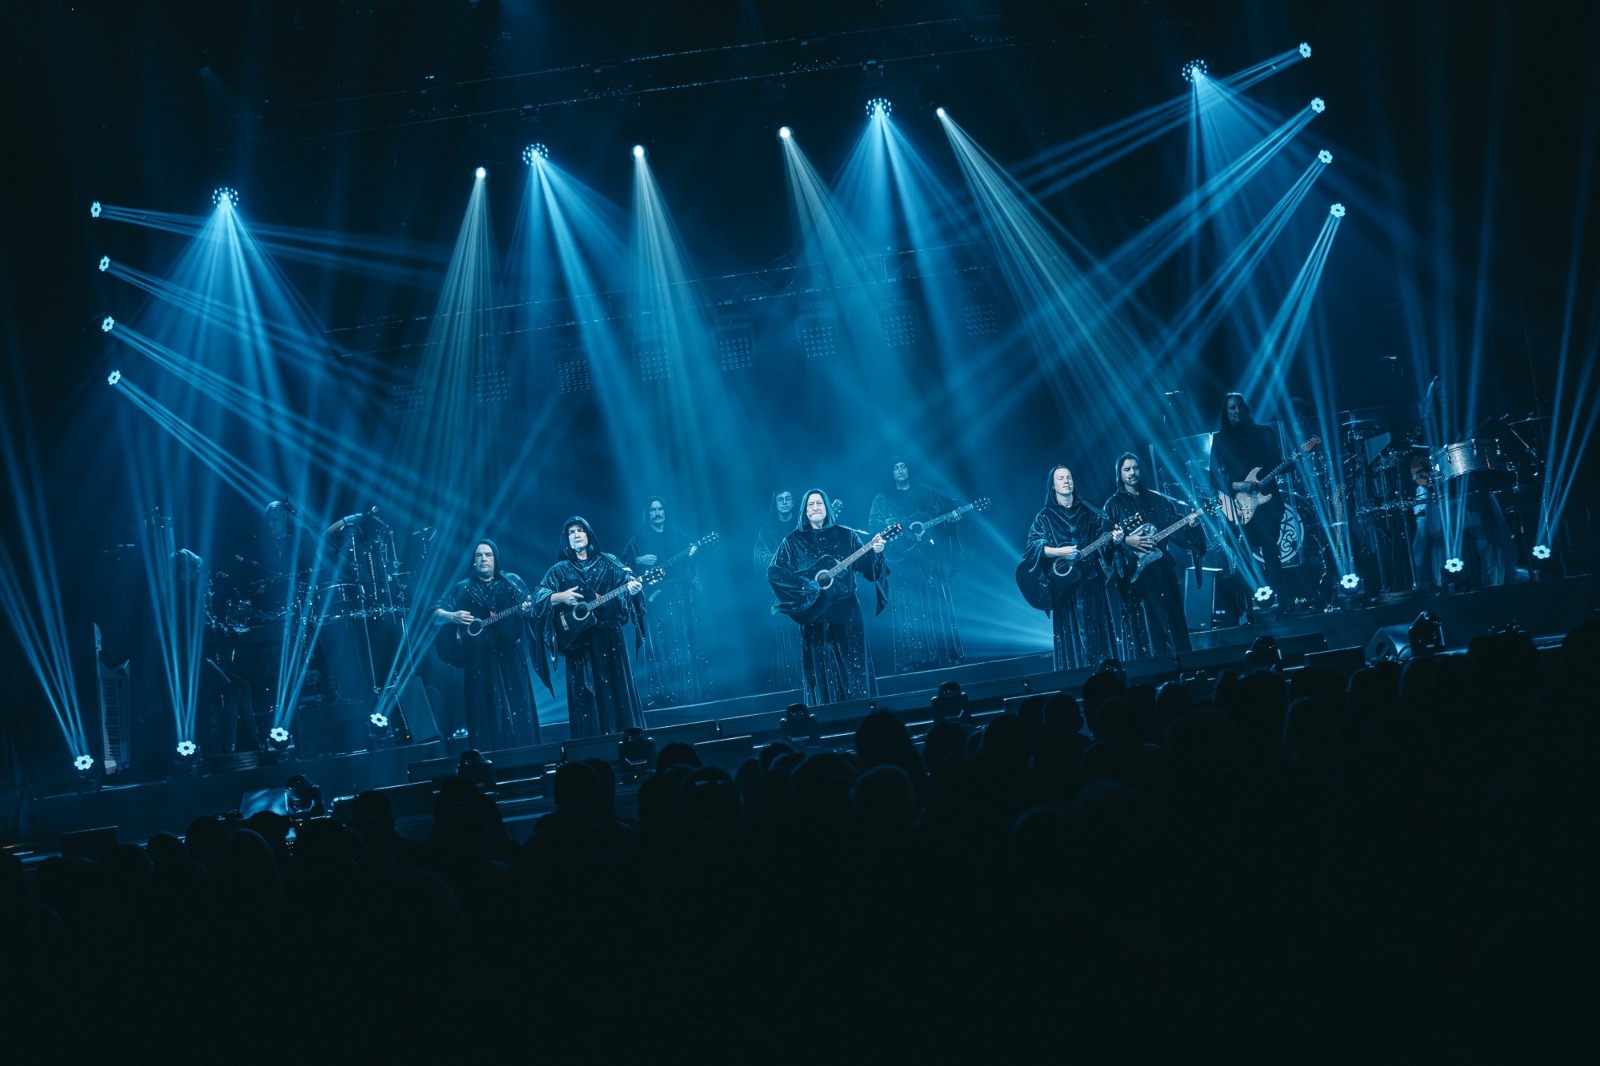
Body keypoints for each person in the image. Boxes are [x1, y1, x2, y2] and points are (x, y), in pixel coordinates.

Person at [767, 490, 888, 705]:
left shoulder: (846, 535)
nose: (815, 507)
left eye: (819, 503)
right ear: (804, 510)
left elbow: (869, 570)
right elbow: (776, 573)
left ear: (827, 508)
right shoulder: (792, 542)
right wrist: (808, 589)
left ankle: (860, 713)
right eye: (811, 504)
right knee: (820, 672)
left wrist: (876, 552)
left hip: (847, 614)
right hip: (815, 617)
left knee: (854, 671)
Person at [533, 518, 646, 739]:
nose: (576, 535)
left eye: (580, 530)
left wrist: (633, 590)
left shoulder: (609, 562)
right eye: (571, 532)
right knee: (586, 701)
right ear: (566, 540)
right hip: (580, 645)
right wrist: (559, 597)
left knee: (618, 692)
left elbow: (628, 582)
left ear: (589, 535)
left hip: (610, 640)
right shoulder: (559, 571)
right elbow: (537, 596)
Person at [431, 540, 542, 750]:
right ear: (473, 562)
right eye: (479, 556)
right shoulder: (462, 588)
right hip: (479, 663)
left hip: (511, 661)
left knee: (519, 711)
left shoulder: (512, 582)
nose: (484, 559)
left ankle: (526, 757)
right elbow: (436, 613)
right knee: (483, 713)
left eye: (488, 555)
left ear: (495, 559)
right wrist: (452, 616)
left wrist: (527, 609)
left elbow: (529, 608)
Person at [1104, 453, 1207, 659]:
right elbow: (1106, 541)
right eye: (1127, 469)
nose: (1132, 473)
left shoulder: (1158, 499)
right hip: (1135, 578)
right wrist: (1126, 541)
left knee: (1172, 621)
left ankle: (1182, 666)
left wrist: (1192, 526)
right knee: (1144, 628)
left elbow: (1177, 532)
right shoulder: (1112, 505)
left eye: (1135, 468)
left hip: (1162, 571)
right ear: (1119, 473)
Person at [1022, 465, 1121, 671]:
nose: (1066, 480)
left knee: (1098, 636)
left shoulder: (1088, 510)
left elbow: (1104, 536)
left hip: (1092, 584)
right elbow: (1031, 549)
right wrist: (1060, 553)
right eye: (1061, 478)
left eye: (1069, 477)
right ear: (1053, 486)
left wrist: (1114, 539)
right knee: (1072, 640)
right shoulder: (1045, 516)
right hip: (1064, 590)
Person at [869, 460, 964, 673]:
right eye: (895, 467)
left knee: (934, 601)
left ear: (908, 469)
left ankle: (944, 654)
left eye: (903, 466)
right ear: (890, 472)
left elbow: (944, 521)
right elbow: (874, 526)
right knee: (909, 605)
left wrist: (954, 518)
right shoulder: (882, 498)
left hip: (928, 557)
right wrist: (903, 535)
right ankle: (913, 658)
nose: (900, 470)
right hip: (902, 560)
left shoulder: (928, 494)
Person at [622, 496, 705, 708]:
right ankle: (664, 696)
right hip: (655, 602)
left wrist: (693, 556)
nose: (657, 513)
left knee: (683, 643)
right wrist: (637, 560)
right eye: (653, 510)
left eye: (660, 509)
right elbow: (621, 567)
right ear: (647, 513)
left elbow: (692, 568)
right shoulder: (638, 540)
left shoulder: (680, 537)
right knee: (662, 646)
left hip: (680, 600)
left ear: (665, 512)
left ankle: (689, 693)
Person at [1210, 393, 1285, 609]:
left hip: (1268, 504)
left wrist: (1288, 464)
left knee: (1271, 551)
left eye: (1240, 407)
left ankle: (1282, 602)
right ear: (1226, 412)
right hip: (1240, 506)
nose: (1236, 411)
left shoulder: (1263, 433)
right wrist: (1237, 486)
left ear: (1246, 408)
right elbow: (1213, 477)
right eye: (1232, 408)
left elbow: (1276, 463)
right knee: (1246, 554)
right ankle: (1256, 603)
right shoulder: (1220, 439)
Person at [754, 488, 803, 691]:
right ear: (775, 504)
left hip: (806, 588)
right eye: (780, 499)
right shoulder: (766, 531)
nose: (784, 502)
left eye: (787, 499)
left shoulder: (802, 526)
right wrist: (781, 561)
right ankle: (792, 681)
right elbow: (759, 558)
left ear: (793, 503)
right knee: (786, 635)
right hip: (781, 591)